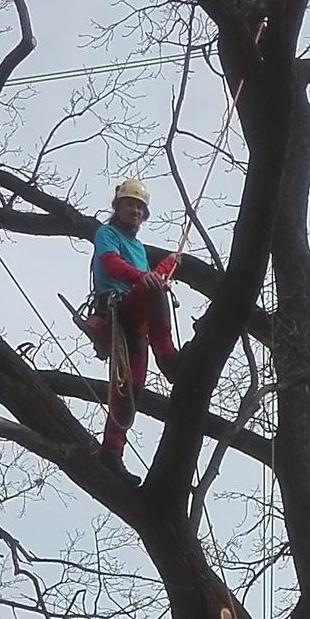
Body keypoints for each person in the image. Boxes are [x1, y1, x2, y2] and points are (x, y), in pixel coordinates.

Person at [87, 176, 176, 466]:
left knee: (131, 391)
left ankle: (112, 452)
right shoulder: (107, 233)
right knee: (154, 288)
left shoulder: (138, 248)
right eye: (129, 205)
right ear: (118, 208)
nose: (134, 212)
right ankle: (167, 356)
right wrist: (146, 278)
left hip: (137, 323)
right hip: (118, 307)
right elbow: (110, 263)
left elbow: (148, 279)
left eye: (139, 208)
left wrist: (168, 264)